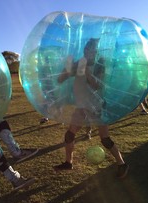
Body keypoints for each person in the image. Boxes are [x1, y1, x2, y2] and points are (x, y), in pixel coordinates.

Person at [53, 38, 129, 178]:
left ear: (96, 51)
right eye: (87, 49)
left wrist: (86, 71)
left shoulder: (100, 64)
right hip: (81, 107)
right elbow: (60, 79)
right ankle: (68, 163)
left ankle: (122, 163)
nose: (89, 51)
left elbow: (97, 85)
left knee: (105, 139)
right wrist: (68, 67)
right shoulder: (78, 63)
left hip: (96, 106)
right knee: (69, 135)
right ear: (84, 50)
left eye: (92, 49)